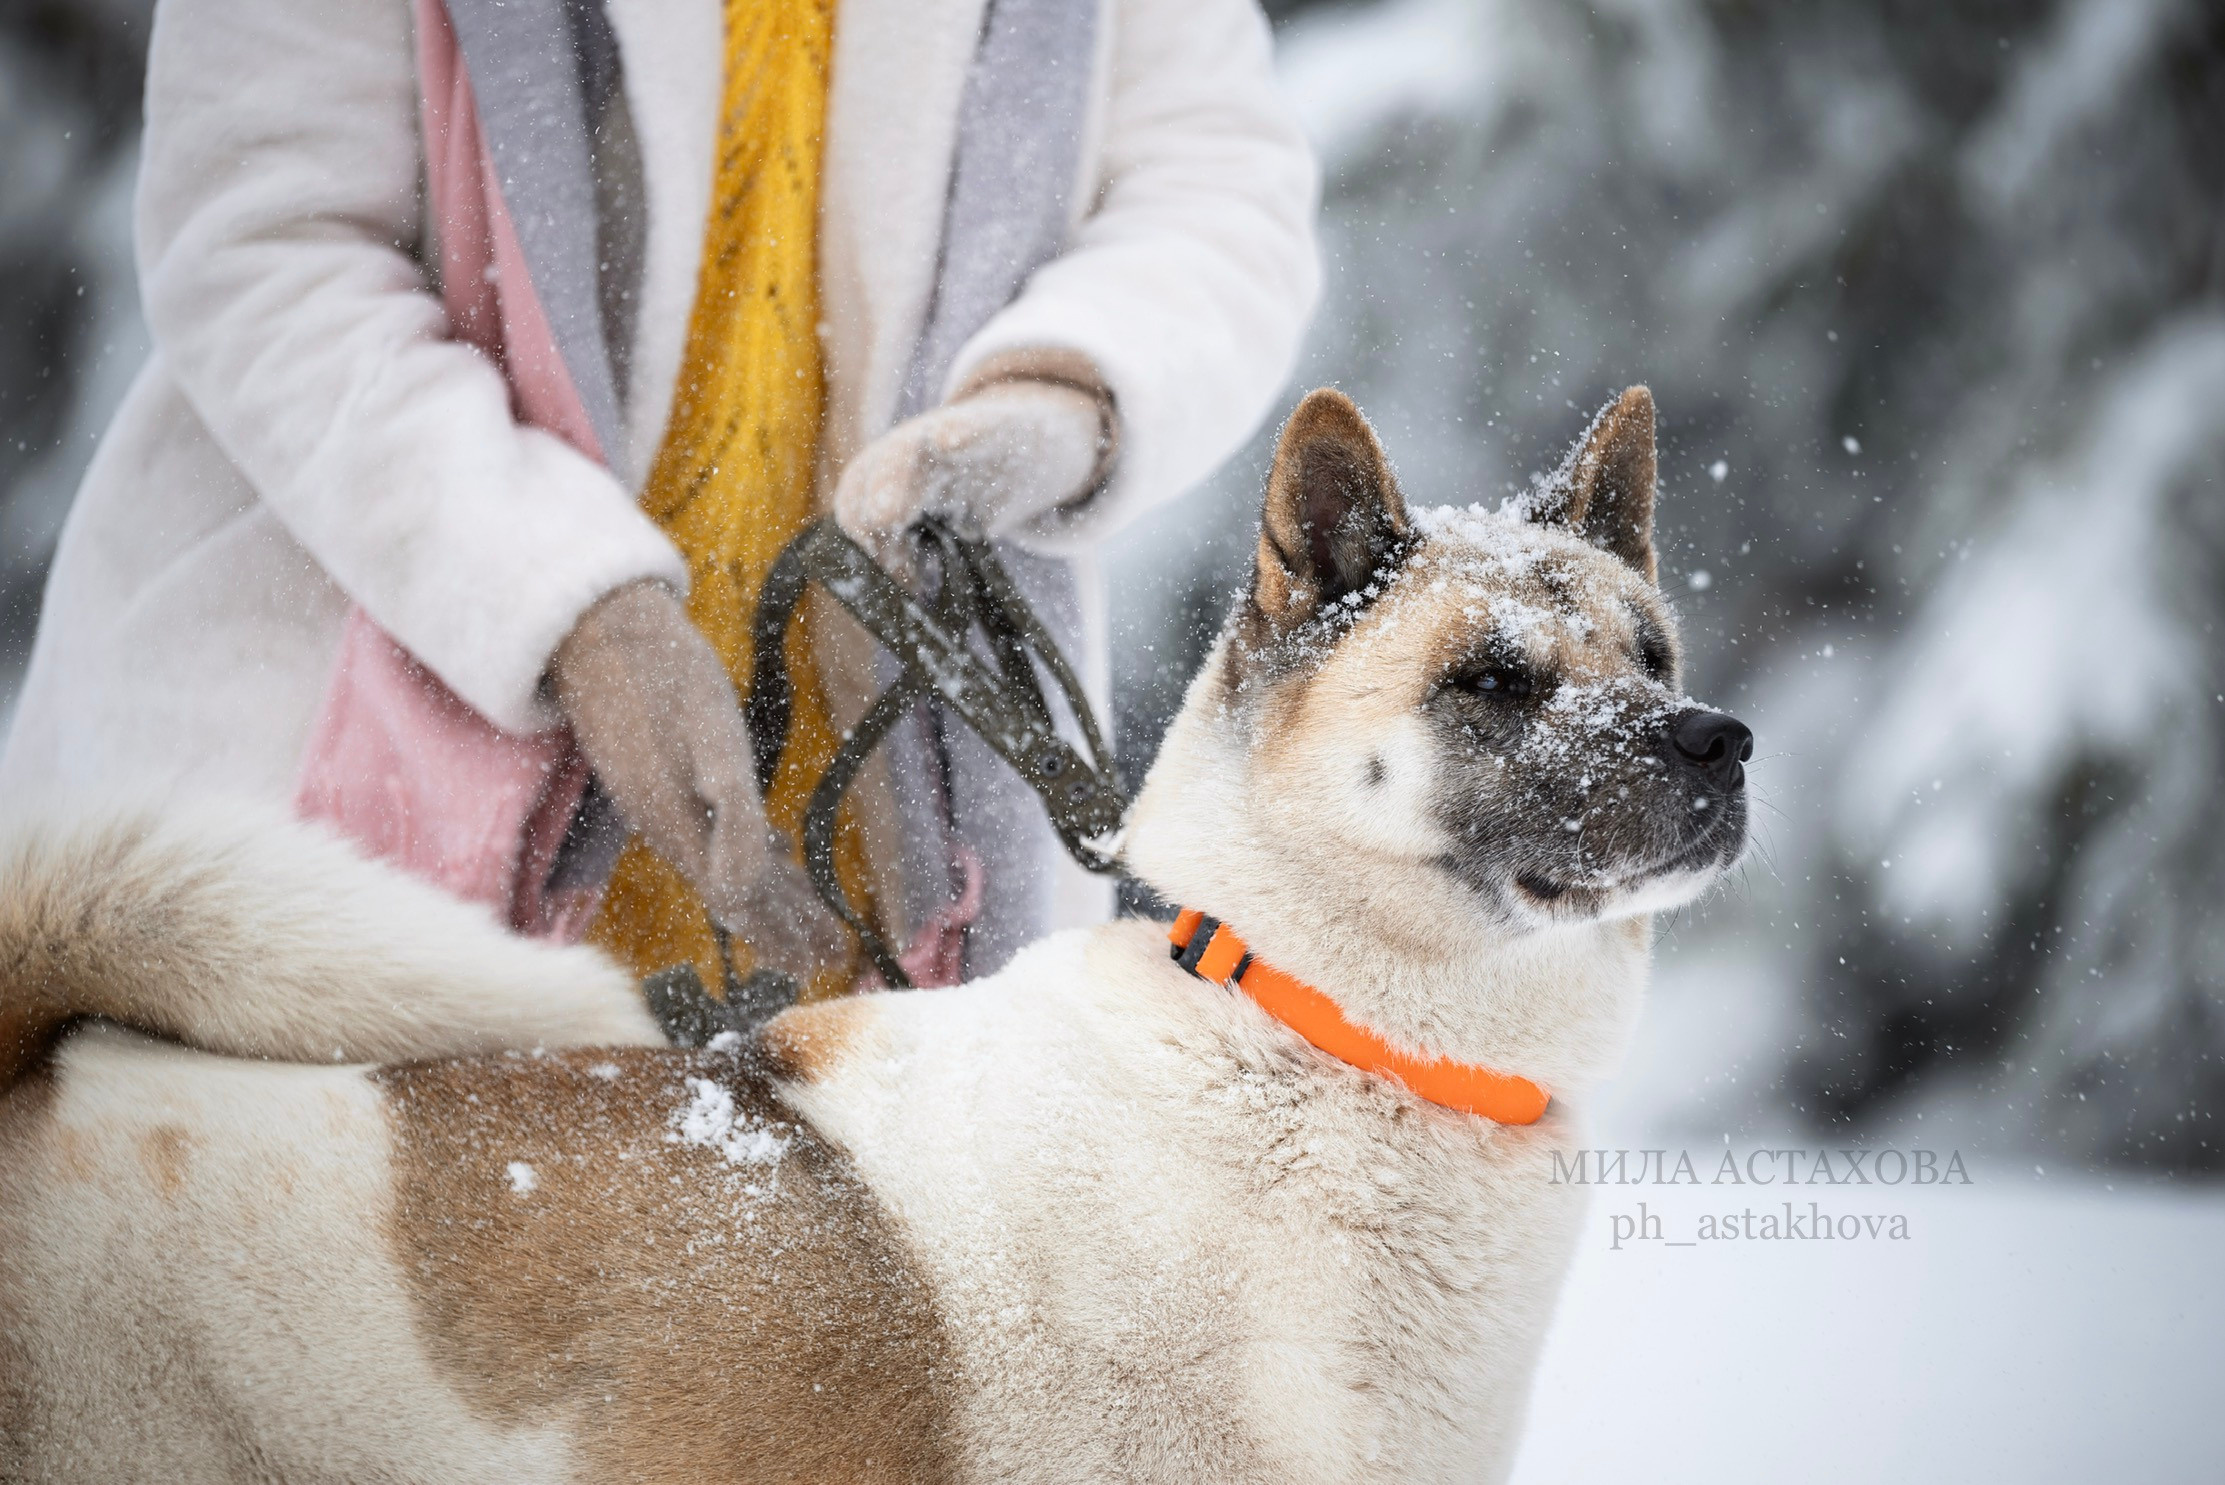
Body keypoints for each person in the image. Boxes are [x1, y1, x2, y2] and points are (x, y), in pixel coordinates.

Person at [0, 0, 1318, 994]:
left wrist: (1051, 406)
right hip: (339, 787)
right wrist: (569, 612)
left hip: (884, 883)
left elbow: (1217, 188)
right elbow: (266, 242)